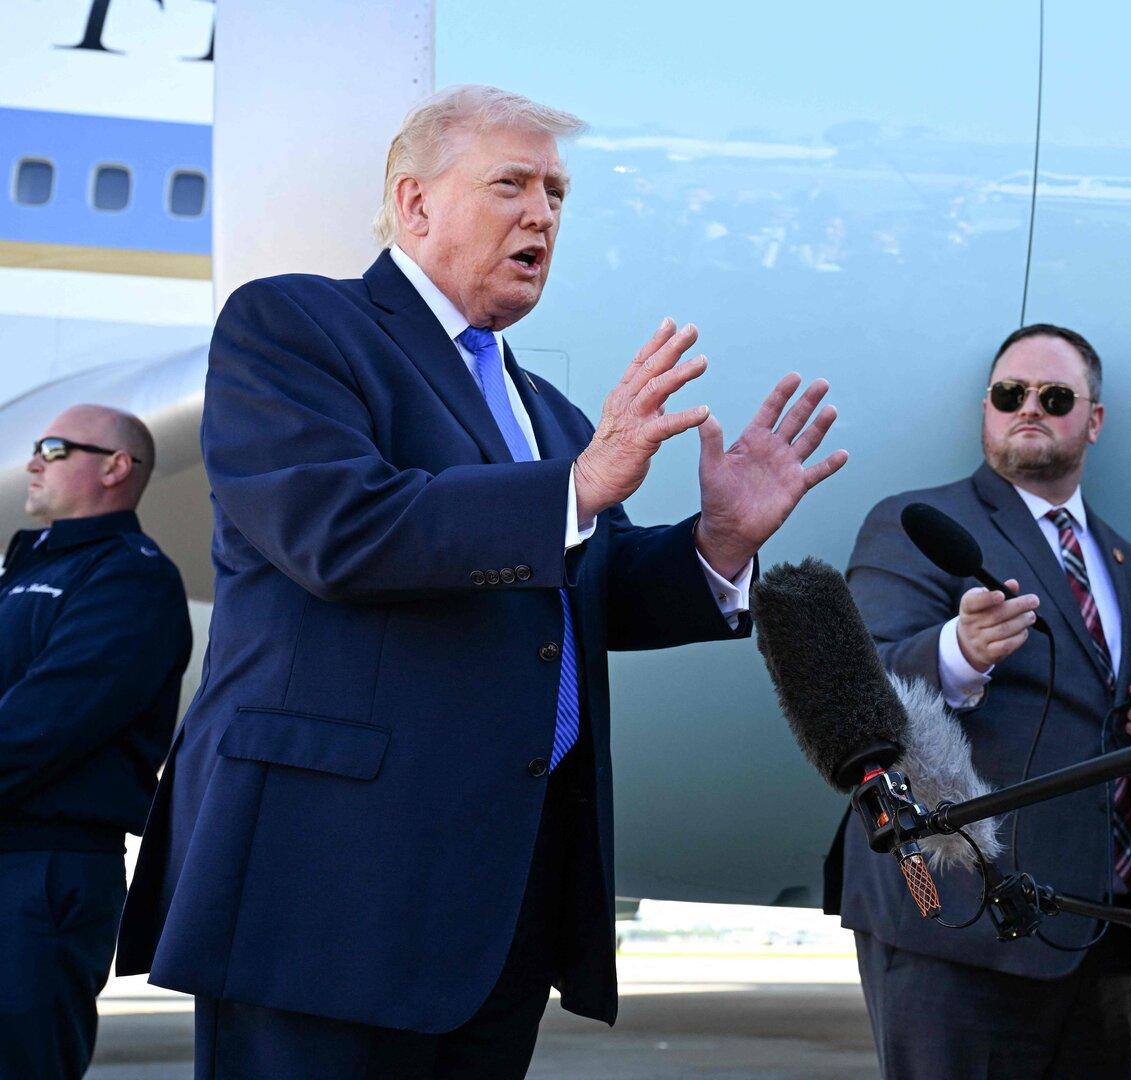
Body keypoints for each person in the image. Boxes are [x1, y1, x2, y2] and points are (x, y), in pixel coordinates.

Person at [115, 85, 847, 1077]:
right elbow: (341, 531)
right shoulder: (293, 328)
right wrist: (577, 487)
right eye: (512, 184)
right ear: (416, 204)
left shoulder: (542, 408)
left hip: (492, 908)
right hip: (324, 894)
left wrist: (716, 542)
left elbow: (594, 590)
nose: (543, 213)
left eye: (556, 193)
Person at [832, 323, 1131, 1080]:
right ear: (985, 409)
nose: (1030, 409)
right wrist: (959, 653)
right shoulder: (914, 526)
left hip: (1098, 937)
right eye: (1008, 394)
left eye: (1055, 398)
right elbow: (858, 691)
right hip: (954, 927)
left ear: (1094, 420)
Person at [0, 405, 191, 1079]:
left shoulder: (131, 579)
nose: (32, 461)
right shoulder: (25, 572)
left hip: (41, 872)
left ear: (115, 468)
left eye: (53, 448)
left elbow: (44, 725)